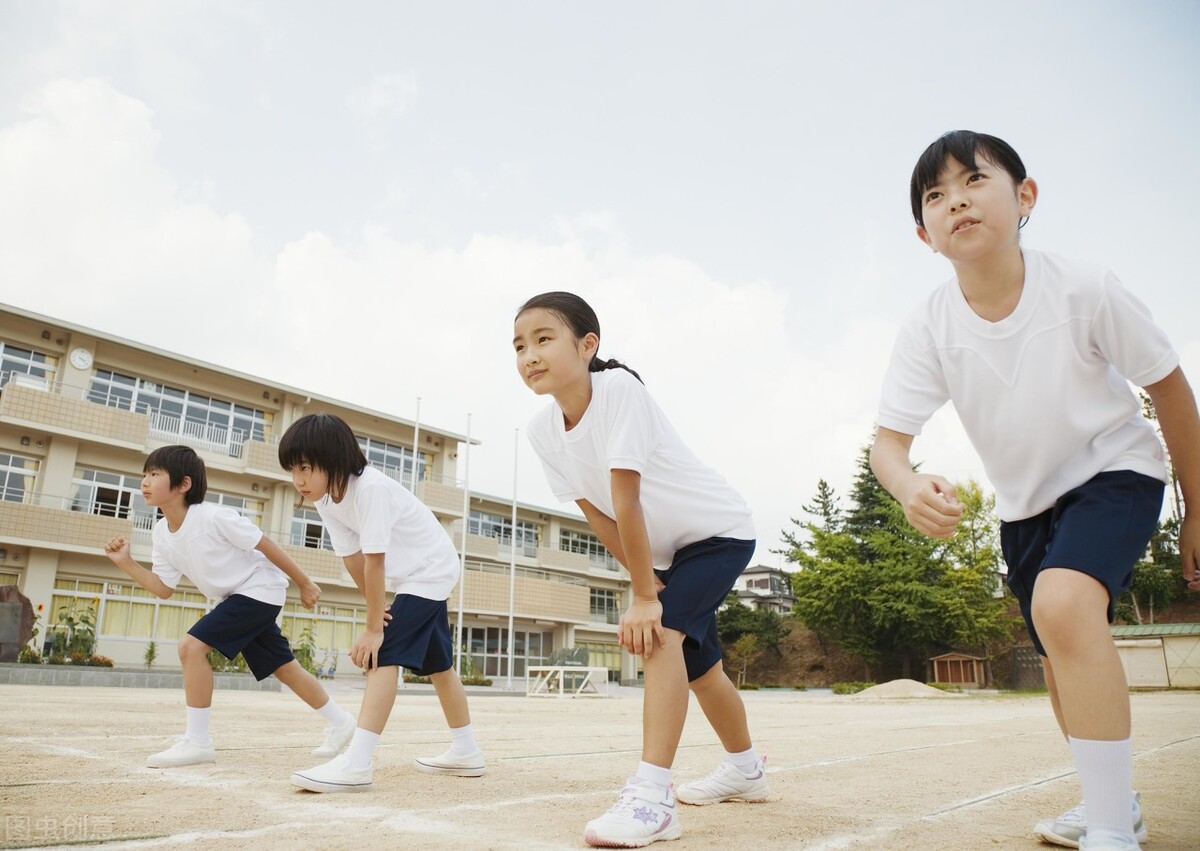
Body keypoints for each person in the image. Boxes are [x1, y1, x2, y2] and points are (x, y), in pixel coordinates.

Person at [870, 130, 1200, 851]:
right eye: (935, 195)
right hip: (1026, 506)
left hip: (1115, 470)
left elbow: (1170, 388)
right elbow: (887, 445)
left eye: (972, 180)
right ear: (924, 235)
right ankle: (1116, 800)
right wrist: (905, 486)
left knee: (1062, 602)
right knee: (1059, 651)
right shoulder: (929, 324)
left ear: (1024, 197)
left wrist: (1197, 510)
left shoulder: (1084, 287)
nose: (955, 199)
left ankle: (1112, 831)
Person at [514, 292, 768, 849]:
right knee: (702, 672)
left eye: (543, 339)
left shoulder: (619, 391)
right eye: (519, 346)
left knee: (660, 637)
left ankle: (653, 798)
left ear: (588, 345)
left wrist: (644, 599)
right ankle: (747, 771)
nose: (529, 354)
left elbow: (627, 499)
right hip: (668, 553)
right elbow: (596, 511)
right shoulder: (542, 432)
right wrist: (644, 574)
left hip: (719, 532)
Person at [103, 444, 356, 768]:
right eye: (144, 475)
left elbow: (265, 545)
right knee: (284, 667)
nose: (145, 482)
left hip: (258, 589)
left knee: (190, 647)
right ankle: (341, 722)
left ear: (183, 484)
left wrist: (304, 582)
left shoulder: (214, 517)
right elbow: (163, 588)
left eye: (154, 474)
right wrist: (125, 562)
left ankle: (198, 741)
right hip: (236, 597)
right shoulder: (161, 534)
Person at [280, 412, 483, 793]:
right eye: (293, 470)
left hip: (429, 569)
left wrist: (376, 627)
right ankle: (466, 749)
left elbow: (376, 559)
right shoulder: (326, 500)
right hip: (412, 577)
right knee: (439, 665)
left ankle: (357, 763)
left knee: (382, 654)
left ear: (334, 459)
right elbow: (353, 559)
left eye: (305, 468)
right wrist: (379, 609)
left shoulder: (369, 488)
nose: (298, 480)